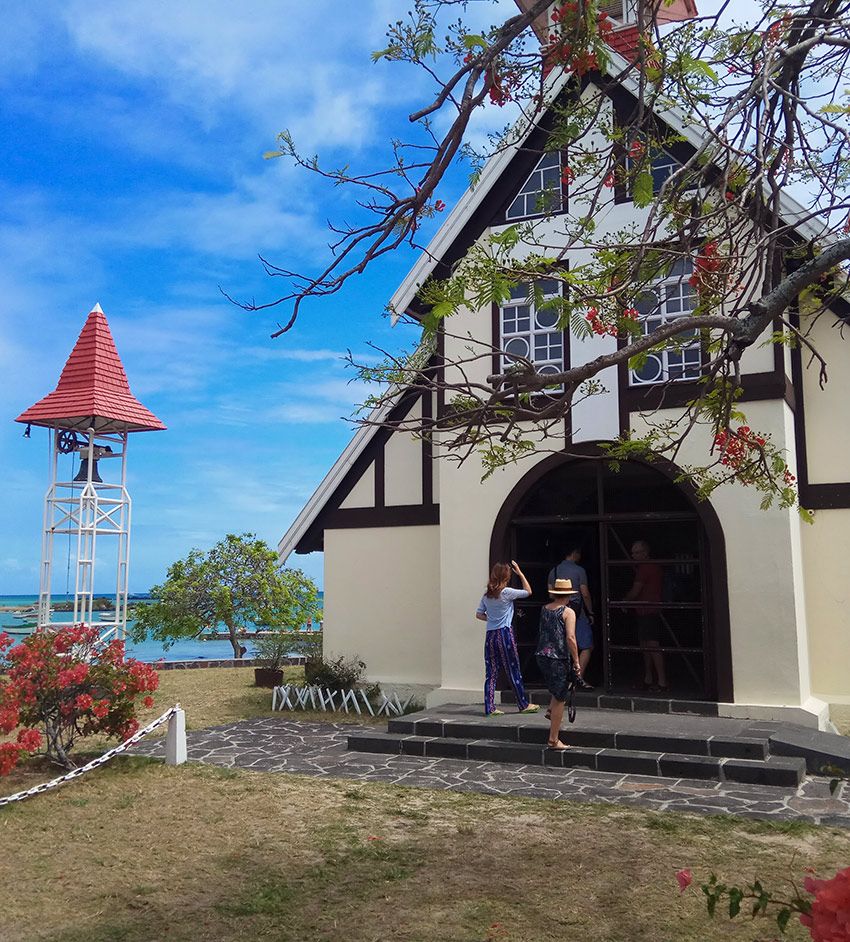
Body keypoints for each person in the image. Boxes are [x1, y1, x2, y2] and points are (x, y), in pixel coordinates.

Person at [475, 560, 541, 717]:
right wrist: (520, 572)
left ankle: (489, 707)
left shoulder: (487, 595)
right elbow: (528, 591)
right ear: (506, 576)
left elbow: (479, 614)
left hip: (490, 635)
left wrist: (491, 619)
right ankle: (522, 703)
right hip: (504, 633)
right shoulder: (507, 592)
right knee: (513, 669)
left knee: (491, 672)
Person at [535, 578, 582, 750]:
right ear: (568, 595)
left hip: (542, 654)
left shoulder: (544, 609)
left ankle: (550, 711)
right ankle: (553, 739)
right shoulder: (568, 612)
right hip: (558, 657)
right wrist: (576, 661)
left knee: (558, 687)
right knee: (561, 695)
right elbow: (570, 638)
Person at [548, 541, 596, 686]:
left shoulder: (554, 571)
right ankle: (577, 677)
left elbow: (550, 594)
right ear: (574, 553)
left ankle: (562, 680)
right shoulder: (579, 570)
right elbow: (585, 593)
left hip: (558, 612)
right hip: (577, 613)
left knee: (562, 646)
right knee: (587, 646)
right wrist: (591, 611)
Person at [624, 539, 667, 692]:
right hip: (647, 610)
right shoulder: (654, 567)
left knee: (652, 645)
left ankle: (661, 681)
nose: (633, 555)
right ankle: (649, 678)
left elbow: (636, 591)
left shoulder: (645, 569)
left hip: (647, 610)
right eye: (632, 552)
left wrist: (625, 602)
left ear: (645, 553)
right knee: (646, 645)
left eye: (636, 552)